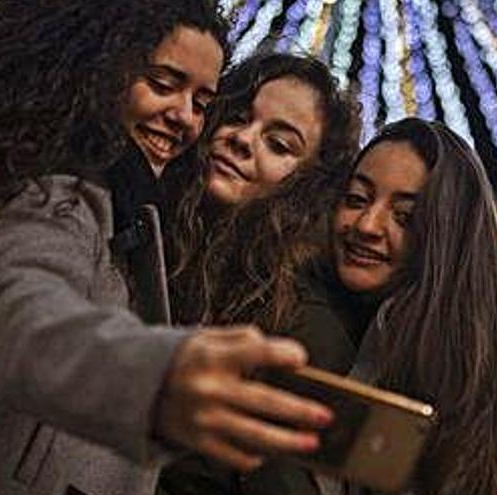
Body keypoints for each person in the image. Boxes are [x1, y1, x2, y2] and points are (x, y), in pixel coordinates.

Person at [0, 2, 331, 494]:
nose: (185, 117)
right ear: (101, 67)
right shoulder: (51, 187)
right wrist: (155, 381)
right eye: (163, 84)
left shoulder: (130, 205)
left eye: (201, 102)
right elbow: (24, 317)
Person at [160, 52, 362, 495]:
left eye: (279, 144)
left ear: (308, 185)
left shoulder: (302, 327)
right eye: (237, 117)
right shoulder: (143, 230)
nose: (243, 139)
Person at [319, 118, 497, 494]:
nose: (367, 225)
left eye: (405, 217)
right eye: (357, 199)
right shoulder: (326, 319)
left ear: (444, 237)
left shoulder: (442, 372)